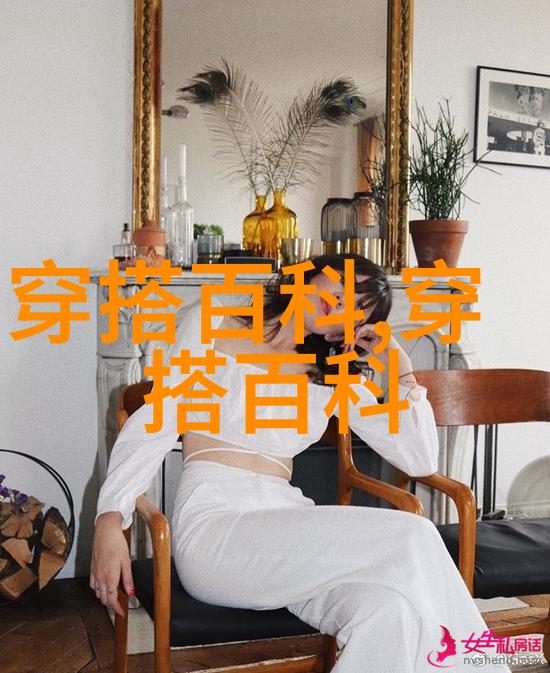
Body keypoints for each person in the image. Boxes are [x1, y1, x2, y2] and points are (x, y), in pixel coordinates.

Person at [91, 253, 511, 672]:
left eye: (358, 310)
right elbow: (157, 421)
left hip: (288, 526)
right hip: (215, 530)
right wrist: (111, 516)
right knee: (414, 534)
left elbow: (418, 458)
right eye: (343, 285)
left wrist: (400, 367)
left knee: (388, 610)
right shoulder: (212, 322)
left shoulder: (332, 372)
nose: (343, 304)